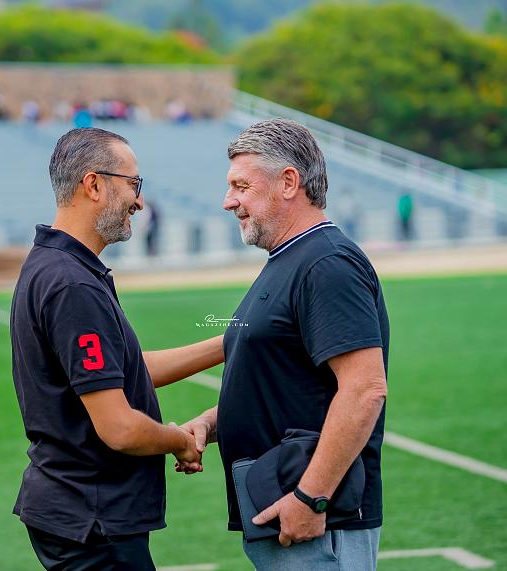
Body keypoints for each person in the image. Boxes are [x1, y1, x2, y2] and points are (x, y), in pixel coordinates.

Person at [179, 119, 389, 570]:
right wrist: (213, 421)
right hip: (281, 506)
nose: (228, 201)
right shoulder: (289, 259)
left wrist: (311, 496)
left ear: (289, 182)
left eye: (241, 186)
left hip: (319, 519)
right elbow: (284, 378)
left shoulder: (327, 262)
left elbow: (365, 389)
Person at [10, 127, 223, 570]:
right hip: (92, 519)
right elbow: (120, 429)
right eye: (133, 184)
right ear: (94, 184)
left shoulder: (58, 266)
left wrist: (227, 344)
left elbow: (121, 371)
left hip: (78, 514)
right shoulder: (72, 284)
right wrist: (178, 440)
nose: (140, 201)